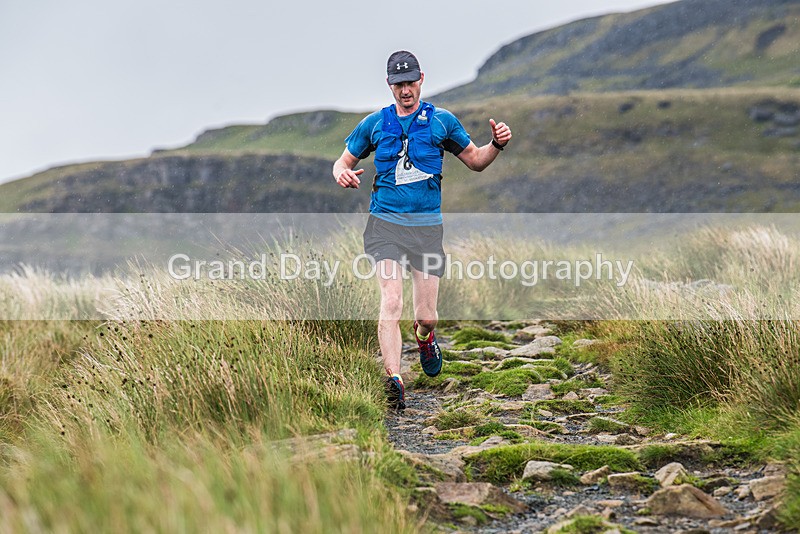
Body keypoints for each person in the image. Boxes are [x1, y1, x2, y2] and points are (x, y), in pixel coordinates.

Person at [332, 50, 512, 410]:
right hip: (384, 225)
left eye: (410, 82)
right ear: (389, 85)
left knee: (426, 316)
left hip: (427, 229)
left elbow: (476, 161)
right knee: (391, 300)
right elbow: (343, 160)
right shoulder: (374, 124)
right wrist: (342, 172)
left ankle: (425, 338)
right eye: (398, 84)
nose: (405, 90)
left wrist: (496, 144)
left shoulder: (441, 121)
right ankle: (394, 379)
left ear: (421, 79)